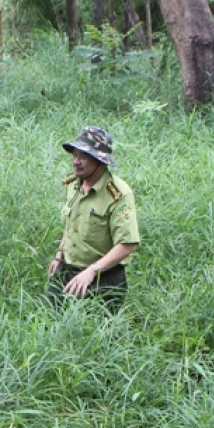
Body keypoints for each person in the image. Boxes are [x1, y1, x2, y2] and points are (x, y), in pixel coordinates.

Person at [47, 126, 139, 310]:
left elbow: (128, 244)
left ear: (100, 161)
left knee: (96, 334)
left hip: (102, 279)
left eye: (84, 157)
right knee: (52, 323)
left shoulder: (118, 194)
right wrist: (59, 255)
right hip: (67, 270)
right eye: (75, 155)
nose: (76, 162)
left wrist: (91, 272)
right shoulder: (73, 184)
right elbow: (71, 223)